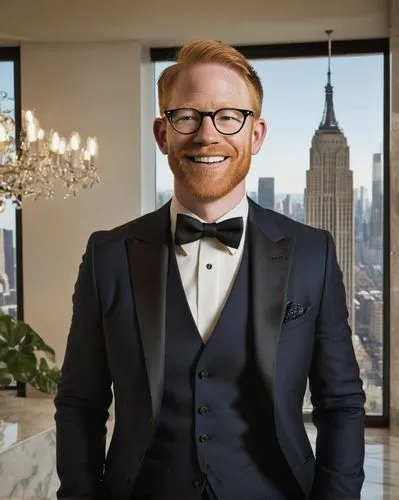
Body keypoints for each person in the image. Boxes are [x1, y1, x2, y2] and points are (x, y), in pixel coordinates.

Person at [54, 40, 366, 500]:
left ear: (256, 135)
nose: (207, 135)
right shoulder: (108, 255)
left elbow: (340, 404)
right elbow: (80, 404)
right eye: (187, 116)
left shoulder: (312, 253)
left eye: (228, 117)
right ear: (162, 133)